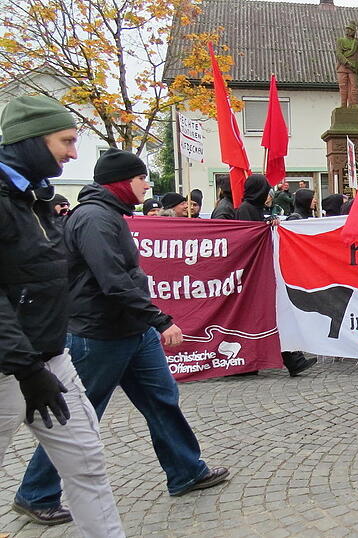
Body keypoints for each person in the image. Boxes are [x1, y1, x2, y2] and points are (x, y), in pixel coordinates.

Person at [15, 149, 229, 522]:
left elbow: (121, 279)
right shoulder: (95, 218)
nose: (148, 184)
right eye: (142, 177)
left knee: (162, 399)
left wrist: (147, 321)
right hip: (98, 334)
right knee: (78, 416)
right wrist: (160, 320)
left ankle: (185, 471)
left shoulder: (108, 214)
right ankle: (36, 493)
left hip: (131, 330)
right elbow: (112, 281)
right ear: (121, 181)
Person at [0, 94, 123, 535]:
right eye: (66, 141)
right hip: (10, 371)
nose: (73, 153)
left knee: (87, 464)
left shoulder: (35, 198)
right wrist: (25, 369)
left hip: (52, 360)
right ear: (30, 140)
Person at [234, 174, 317, 376]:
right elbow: (248, 240)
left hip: (258, 273)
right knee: (273, 315)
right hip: (255, 274)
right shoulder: (246, 209)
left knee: (270, 316)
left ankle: (287, 360)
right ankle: (291, 360)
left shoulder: (252, 209)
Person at [335, 21, 358, 107]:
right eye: (347, 29)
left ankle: (353, 104)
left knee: (354, 86)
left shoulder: (355, 43)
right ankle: (343, 105)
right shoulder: (340, 41)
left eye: (350, 29)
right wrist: (346, 62)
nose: (348, 31)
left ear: (353, 31)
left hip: (353, 68)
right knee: (343, 86)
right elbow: (338, 54)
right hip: (343, 67)